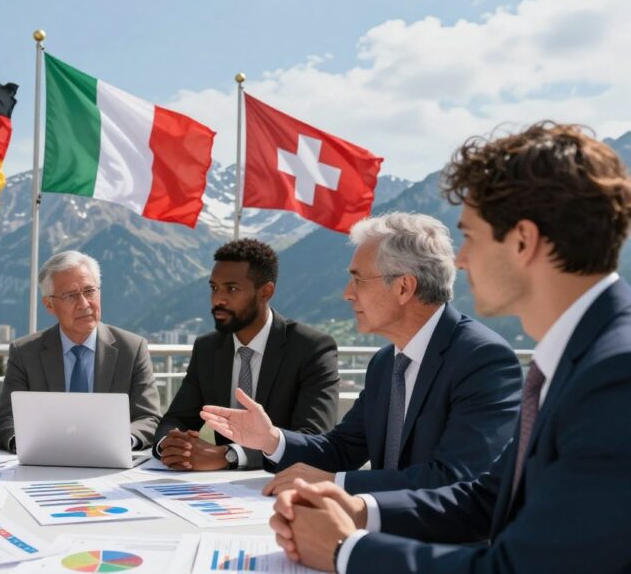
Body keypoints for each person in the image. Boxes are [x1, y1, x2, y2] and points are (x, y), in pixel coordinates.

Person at [270, 122, 631, 573]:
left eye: (471, 237)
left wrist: (347, 551)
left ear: (523, 241)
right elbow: (487, 498)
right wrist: (359, 509)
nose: (458, 260)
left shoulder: (615, 374)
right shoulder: (578, 357)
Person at [202, 213, 521, 493]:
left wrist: (335, 484)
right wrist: (271, 439)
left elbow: (456, 480)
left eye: (358, 279)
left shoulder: (483, 360)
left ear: (404, 287)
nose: (347, 294)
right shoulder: (386, 362)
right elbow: (343, 449)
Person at [155, 238, 340, 470]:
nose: (217, 299)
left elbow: (312, 436)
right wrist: (171, 445)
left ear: (265, 292)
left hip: (279, 481)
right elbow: (177, 418)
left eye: (231, 288)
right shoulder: (207, 348)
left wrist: (229, 456)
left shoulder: (311, 348)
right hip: (212, 486)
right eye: (214, 288)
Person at [0, 250, 162, 453]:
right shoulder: (25, 352)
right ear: (49, 304)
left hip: (111, 463)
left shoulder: (132, 349)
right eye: (70, 296)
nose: (84, 304)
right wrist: (26, 444)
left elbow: (149, 418)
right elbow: (4, 420)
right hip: (46, 462)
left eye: (90, 291)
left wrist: (123, 441)